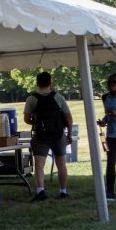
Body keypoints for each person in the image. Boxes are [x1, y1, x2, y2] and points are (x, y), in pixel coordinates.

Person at [23, 71, 74, 202]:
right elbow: (68, 117)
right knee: (61, 163)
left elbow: (26, 119)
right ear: (50, 83)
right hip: (58, 134)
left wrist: (37, 122)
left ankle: (41, 190)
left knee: (39, 164)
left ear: (37, 83)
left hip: (41, 135)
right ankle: (63, 191)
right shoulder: (58, 97)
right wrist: (68, 133)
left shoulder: (32, 98)